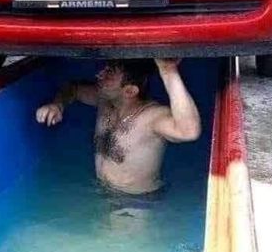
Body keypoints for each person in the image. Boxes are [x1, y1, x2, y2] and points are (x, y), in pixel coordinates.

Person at [36, 59, 201, 197]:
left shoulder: (152, 116)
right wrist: (57, 105)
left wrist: (168, 71)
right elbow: (73, 89)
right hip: (101, 191)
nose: (99, 75)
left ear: (129, 91)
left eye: (109, 74)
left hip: (136, 202)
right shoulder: (105, 102)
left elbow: (189, 131)